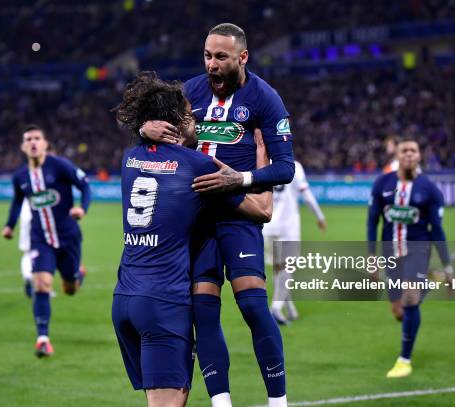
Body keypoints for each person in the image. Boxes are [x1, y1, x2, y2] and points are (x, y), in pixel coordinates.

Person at [140, 23, 294, 407]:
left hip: (237, 215)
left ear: (242, 57)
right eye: (208, 56)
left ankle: (279, 402)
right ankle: (221, 403)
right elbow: (149, 132)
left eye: (221, 57)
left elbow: (286, 167)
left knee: (253, 306)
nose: (212, 64)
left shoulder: (265, 98)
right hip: (196, 218)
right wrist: (145, 129)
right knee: (204, 313)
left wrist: (238, 178)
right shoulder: (188, 92)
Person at [112, 72, 273, 407]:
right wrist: (261, 166)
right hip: (163, 302)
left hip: (124, 299)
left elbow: (143, 141)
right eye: (188, 113)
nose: (195, 117)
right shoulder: (197, 166)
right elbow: (262, 211)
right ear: (175, 122)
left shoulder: (130, 159)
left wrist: (143, 130)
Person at [2, 124, 91, 357]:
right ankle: (43, 339)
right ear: (23, 146)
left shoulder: (60, 166)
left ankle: (77, 275)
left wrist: (83, 208)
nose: (33, 142)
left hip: (68, 237)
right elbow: (17, 202)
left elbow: (85, 184)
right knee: (41, 284)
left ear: (44, 143)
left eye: (37, 138)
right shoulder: (20, 176)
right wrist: (9, 226)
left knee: (70, 289)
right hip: (40, 239)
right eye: (28, 139)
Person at [367, 137, 453, 378]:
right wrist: (371, 256)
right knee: (399, 311)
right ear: (398, 155)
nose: (408, 154)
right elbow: (373, 221)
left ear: (419, 156)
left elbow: (437, 229)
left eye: (413, 151)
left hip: (418, 250)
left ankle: (404, 360)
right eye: (404, 150)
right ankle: (429, 282)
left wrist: (448, 265)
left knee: (410, 297)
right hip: (390, 251)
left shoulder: (430, 189)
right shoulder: (382, 183)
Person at [263, 160, 326, 324]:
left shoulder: (264, 164)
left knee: (278, 269)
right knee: (287, 268)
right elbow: (307, 195)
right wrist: (319, 216)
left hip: (268, 225)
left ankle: (290, 309)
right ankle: (276, 308)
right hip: (287, 225)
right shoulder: (294, 166)